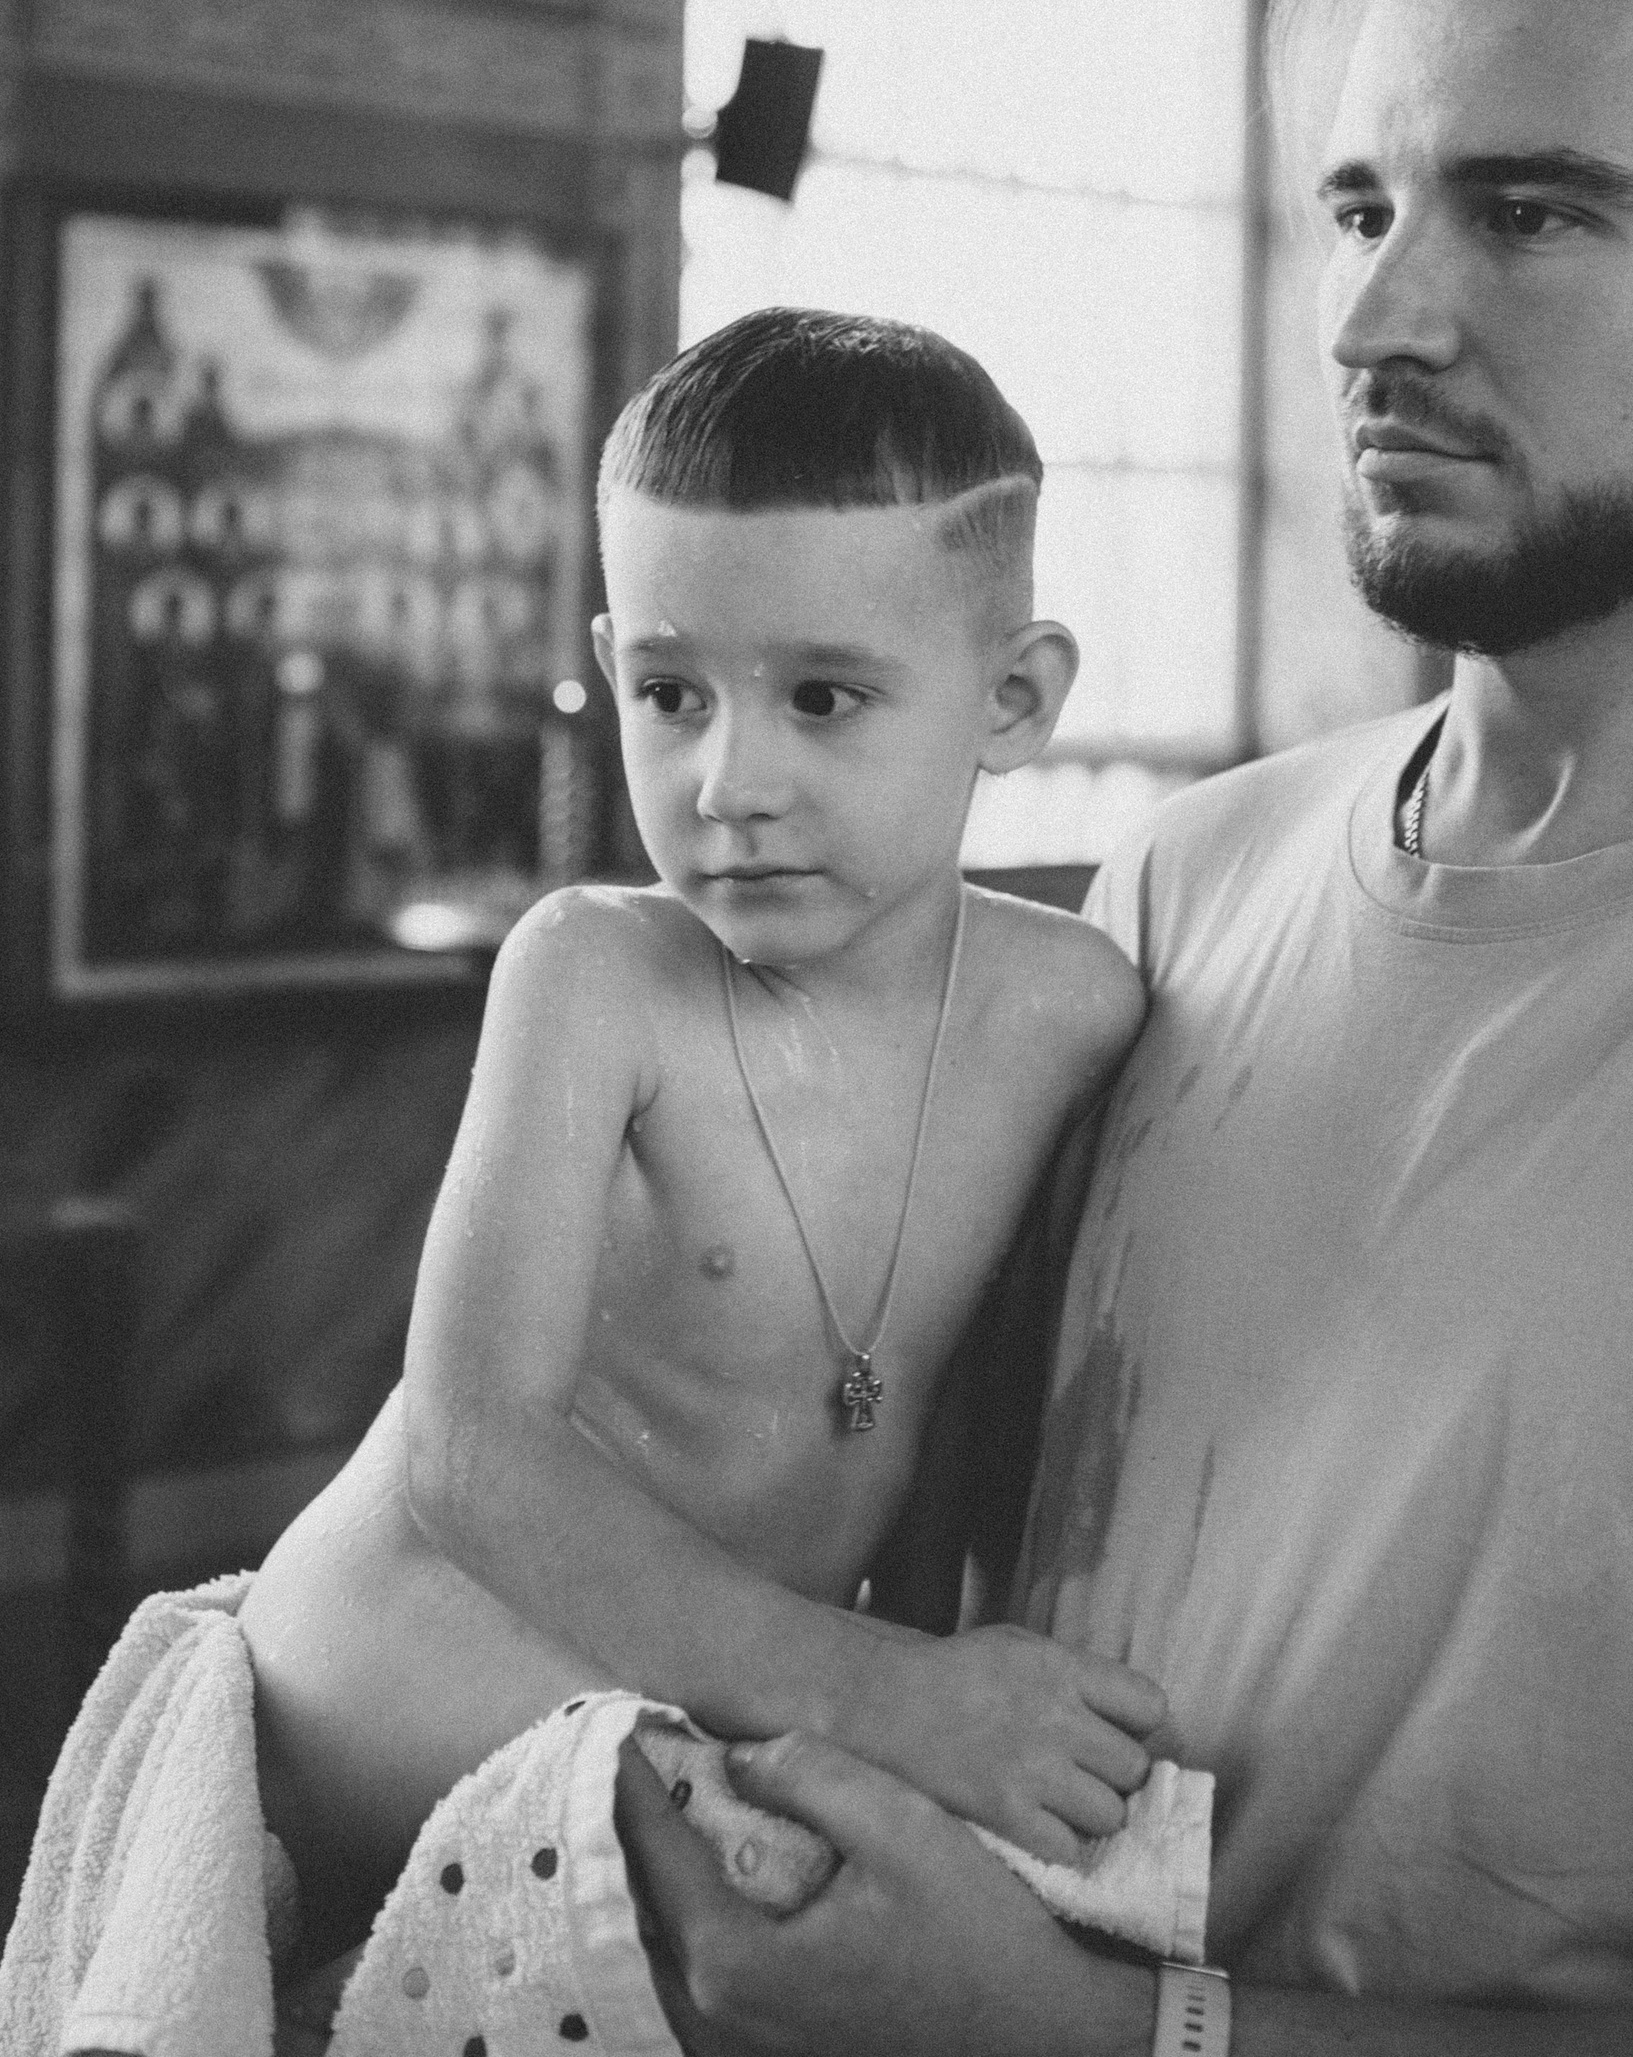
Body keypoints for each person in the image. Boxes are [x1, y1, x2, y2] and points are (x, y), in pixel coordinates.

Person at [613, 0, 1633, 2054]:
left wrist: (1114, 2041)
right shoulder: (1184, 884)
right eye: (1358, 207)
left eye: (1530, 214)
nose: (1380, 317)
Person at [239, 309, 1165, 1957]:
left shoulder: (1074, 1012)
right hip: (417, 1635)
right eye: (673, 693)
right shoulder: (596, 972)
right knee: (780, 1882)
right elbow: (472, 1456)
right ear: (614, 673)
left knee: (973, 1888)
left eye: (822, 697)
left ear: (1012, 699)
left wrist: (940, 1675)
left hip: (721, 1677)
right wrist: (877, 1693)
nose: (730, 779)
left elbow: (967, 1421)